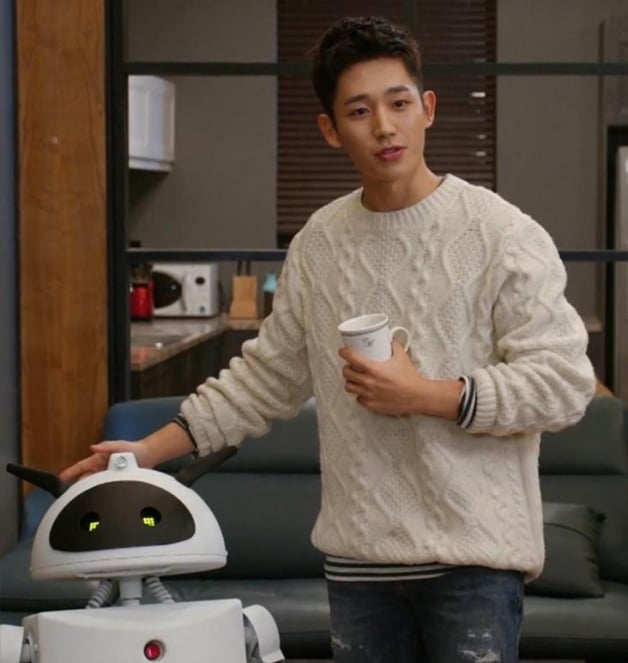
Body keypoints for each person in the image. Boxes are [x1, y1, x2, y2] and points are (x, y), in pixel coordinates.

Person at [61, 15, 596, 663]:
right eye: (360, 111)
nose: (385, 127)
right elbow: (263, 380)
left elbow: (564, 384)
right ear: (330, 129)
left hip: (473, 564)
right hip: (358, 563)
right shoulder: (319, 243)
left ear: (427, 108)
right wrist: (145, 452)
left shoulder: (502, 233)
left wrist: (428, 394)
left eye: (399, 104)